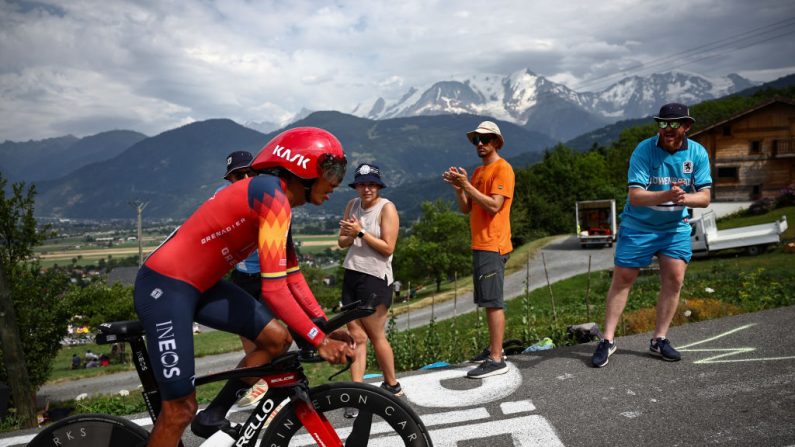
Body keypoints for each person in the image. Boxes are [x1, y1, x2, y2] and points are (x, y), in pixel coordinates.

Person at [133, 127, 354, 447]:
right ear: (303, 166)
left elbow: (292, 277)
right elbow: (274, 291)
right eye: (332, 171)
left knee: (277, 340)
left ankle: (213, 415)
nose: (336, 183)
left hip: (202, 286)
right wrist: (318, 340)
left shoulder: (279, 201)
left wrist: (322, 324)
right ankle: (196, 415)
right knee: (179, 409)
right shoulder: (271, 195)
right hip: (165, 288)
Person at [591, 103, 712, 368]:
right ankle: (608, 340)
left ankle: (659, 339)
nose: (667, 129)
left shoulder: (697, 153)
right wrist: (668, 194)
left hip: (674, 227)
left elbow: (704, 198)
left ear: (686, 126)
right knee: (623, 278)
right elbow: (636, 197)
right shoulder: (644, 150)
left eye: (674, 124)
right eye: (663, 124)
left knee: (675, 278)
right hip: (639, 225)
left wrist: (684, 197)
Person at [443, 120, 515, 379]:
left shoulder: (502, 169)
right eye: (477, 140)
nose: (480, 144)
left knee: (493, 302)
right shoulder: (477, 172)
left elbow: (494, 206)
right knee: (487, 300)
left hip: (493, 244)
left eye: (485, 139)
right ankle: (494, 350)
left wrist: (467, 186)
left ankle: (497, 358)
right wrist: (459, 189)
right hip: (481, 243)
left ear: (496, 141)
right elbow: (467, 209)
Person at [337, 163, 402, 418]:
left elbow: (388, 247)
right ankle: (356, 394)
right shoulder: (352, 206)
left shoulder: (387, 208)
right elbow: (342, 242)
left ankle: (392, 384)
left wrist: (360, 232)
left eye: (371, 184)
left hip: (375, 277)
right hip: (352, 273)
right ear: (356, 186)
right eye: (362, 184)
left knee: (376, 336)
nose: (366, 189)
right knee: (356, 337)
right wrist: (350, 234)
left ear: (379, 186)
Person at [216, 150, 269, 408]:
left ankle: (269, 388)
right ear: (230, 180)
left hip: (268, 275)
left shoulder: (267, 195)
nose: (245, 177)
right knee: (249, 339)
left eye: (250, 172)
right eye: (238, 175)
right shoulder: (222, 197)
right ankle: (261, 388)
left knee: (273, 339)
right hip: (242, 276)